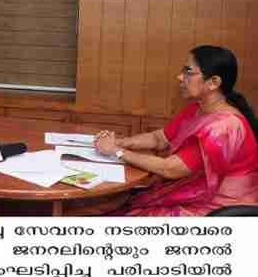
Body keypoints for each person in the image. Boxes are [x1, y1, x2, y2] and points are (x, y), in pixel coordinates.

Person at [94, 45, 258, 216]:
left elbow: (170, 169)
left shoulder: (225, 126)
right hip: (189, 196)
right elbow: (159, 139)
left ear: (214, 82)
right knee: (104, 206)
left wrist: (116, 151)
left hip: (216, 209)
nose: (180, 77)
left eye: (188, 72)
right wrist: (118, 142)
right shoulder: (197, 108)